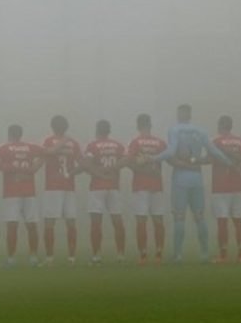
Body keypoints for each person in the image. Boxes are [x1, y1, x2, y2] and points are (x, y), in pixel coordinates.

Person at [152, 104, 231, 263]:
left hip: (181, 179)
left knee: (179, 217)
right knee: (200, 217)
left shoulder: (175, 130)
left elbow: (170, 151)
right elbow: (214, 151)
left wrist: (151, 158)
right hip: (197, 178)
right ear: (190, 115)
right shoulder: (200, 131)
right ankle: (204, 253)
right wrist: (229, 162)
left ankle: (178, 254)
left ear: (180, 114)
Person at [0, 125, 45, 267]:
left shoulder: (5, 148)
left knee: (12, 226)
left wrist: (7, 168)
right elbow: (45, 154)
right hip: (29, 191)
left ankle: (11, 258)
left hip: (11, 193)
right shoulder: (30, 147)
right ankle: (33, 257)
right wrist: (34, 168)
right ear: (21, 134)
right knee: (31, 225)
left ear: (9, 134)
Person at [83, 120, 128, 266]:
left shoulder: (92, 145)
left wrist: (100, 174)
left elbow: (87, 164)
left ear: (97, 130)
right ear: (109, 131)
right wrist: (113, 168)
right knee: (118, 221)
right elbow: (126, 159)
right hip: (113, 186)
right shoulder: (118, 145)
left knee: (96, 222)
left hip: (97, 187)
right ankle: (121, 255)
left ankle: (96, 256)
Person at [40, 115, 83, 266]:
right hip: (69, 187)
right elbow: (82, 164)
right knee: (70, 222)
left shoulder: (48, 141)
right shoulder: (73, 143)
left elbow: (48, 153)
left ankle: (50, 258)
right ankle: (71, 258)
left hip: (52, 187)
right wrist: (71, 173)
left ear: (52, 127)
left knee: (49, 223)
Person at [128, 114, 167, 265]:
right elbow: (168, 157)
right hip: (157, 185)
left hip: (140, 186)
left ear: (138, 126)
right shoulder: (160, 143)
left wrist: (143, 170)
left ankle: (143, 255)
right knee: (158, 220)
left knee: (141, 221)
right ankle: (159, 254)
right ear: (150, 125)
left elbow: (129, 163)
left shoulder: (135, 142)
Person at [211, 116, 241, 263]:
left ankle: (223, 255)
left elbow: (209, 159)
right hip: (237, 186)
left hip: (220, 187)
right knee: (238, 221)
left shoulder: (215, 141)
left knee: (222, 221)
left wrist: (193, 160)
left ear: (220, 125)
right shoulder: (240, 141)